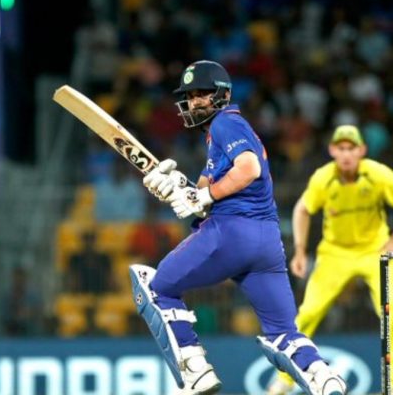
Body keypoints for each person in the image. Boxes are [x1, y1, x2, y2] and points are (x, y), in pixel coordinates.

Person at [130, 60, 347, 395]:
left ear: (223, 95)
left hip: (231, 233)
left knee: (155, 287)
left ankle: (196, 371)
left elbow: (248, 169)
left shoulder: (226, 123)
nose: (194, 102)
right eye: (190, 96)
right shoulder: (221, 135)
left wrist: (205, 195)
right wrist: (175, 187)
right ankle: (324, 379)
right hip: (267, 243)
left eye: (202, 94)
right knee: (283, 334)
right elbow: (201, 194)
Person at [267, 125, 393, 395]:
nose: (346, 154)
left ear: (362, 150)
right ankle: (285, 379)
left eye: (351, 148)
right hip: (334, 253)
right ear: (332, 151)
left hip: (375, 251)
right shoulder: (323, 178)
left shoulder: (377, 173)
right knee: (308, 314)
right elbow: (302, 210)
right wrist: (301, 250)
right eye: (340, 148)